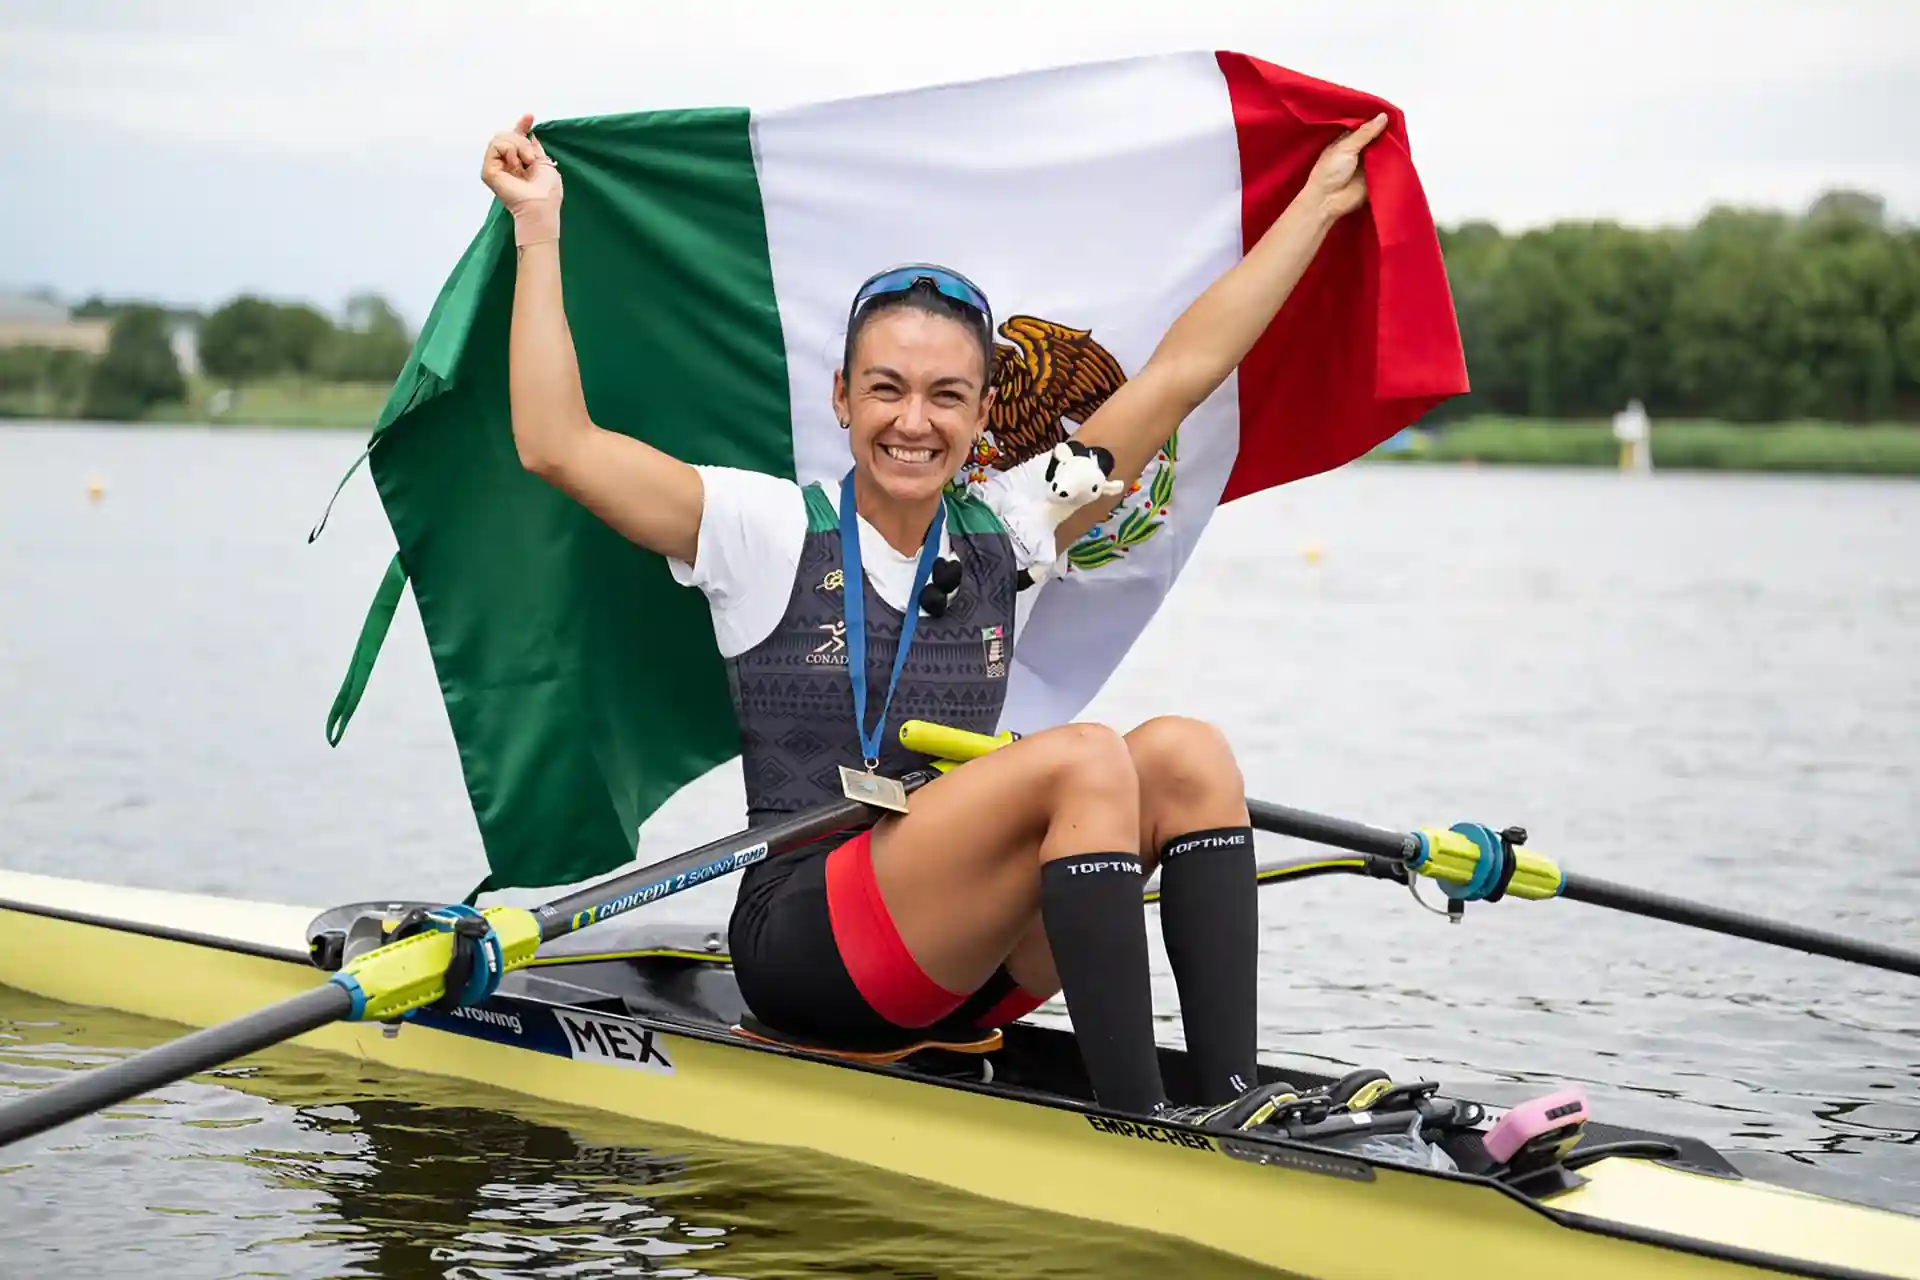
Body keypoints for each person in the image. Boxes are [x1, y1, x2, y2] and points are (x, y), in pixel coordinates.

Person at [479, 108, 1389, 1128]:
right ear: (841, 398)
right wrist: (540, 228)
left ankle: (1232, 1095)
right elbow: (555, 442)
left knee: (1186, 754)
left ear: (983, 411)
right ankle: (1139, 1122)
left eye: (947, 395)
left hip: (957, 965)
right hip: (804, 940)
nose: (914, 421)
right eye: (887, 389)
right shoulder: (761, 526)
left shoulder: (1013, 524)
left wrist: (1315, 208)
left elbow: (1181, 372)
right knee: (1086, 756)